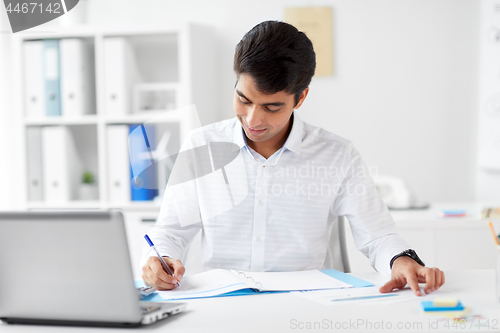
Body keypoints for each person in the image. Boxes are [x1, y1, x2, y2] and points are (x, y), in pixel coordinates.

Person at [141, 20, 444, 296]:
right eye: (243, 99)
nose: (253, 119)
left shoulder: (337, 154)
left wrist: (401, 261)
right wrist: (161, 259)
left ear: (300, 98)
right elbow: (170, 231)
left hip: (307, 306)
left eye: (271, 107)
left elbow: (377, 236)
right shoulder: (202, 145)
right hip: (220, 304)